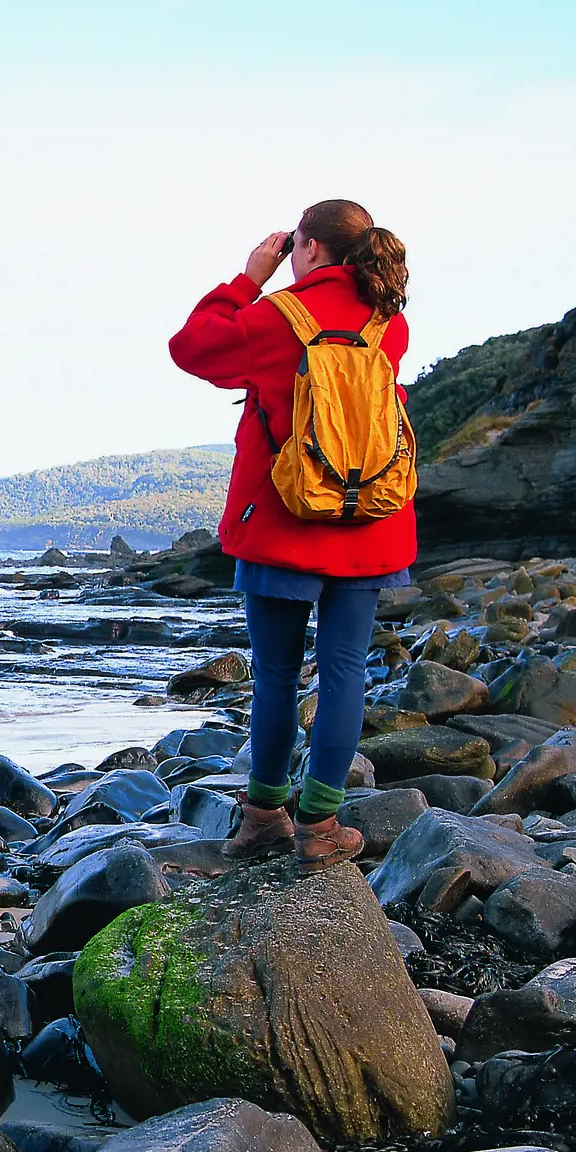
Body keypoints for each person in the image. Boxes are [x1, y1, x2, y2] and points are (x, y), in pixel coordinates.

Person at [168, 199, 416, 869]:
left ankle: (262, 820)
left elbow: (191, 348)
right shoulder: (388, 325)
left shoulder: (277, 316)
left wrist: (249, 278)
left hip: (284, 518)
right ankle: (321, 828)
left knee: (276, 674)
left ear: (303, 247)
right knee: (343, 673)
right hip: (369, 522)